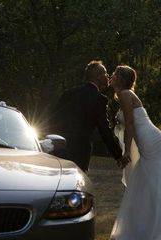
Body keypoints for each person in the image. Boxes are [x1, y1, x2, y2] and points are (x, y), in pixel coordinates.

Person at [110, 65, 161, 240]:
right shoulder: (125, 95)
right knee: (145, 182)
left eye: (115, 74)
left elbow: (130, 124)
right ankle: (143, 226)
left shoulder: (125, 94)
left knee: (153, 181)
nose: (111, 75)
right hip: (147, 140)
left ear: (121, 79)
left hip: (151, 142)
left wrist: (126, 153)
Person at [51, 60, 123, 171]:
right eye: (105, 72)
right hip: (80, 152)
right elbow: (104, 130)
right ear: (97, 77)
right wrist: (118, 155)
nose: (107, 75)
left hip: (59, 150)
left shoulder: (69, 93)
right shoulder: (99, 99)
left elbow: (53, 119)